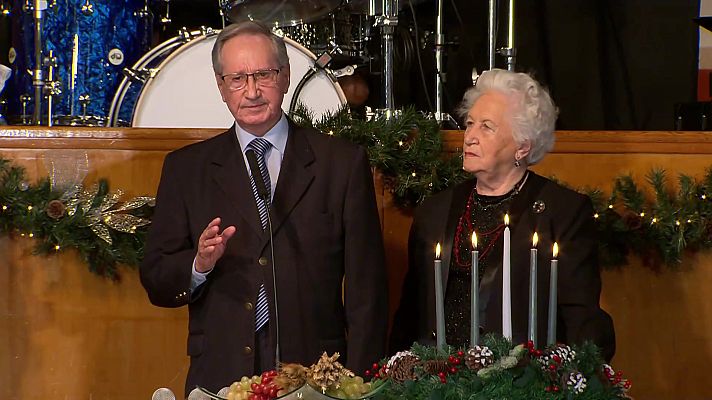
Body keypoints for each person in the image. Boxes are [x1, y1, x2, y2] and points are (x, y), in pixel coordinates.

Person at [139, 21, 388, 395]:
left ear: (285, 77)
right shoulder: (187, 169)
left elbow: (367, 290)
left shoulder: (340, 164)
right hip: (220, 377)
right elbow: (157, 278)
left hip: (317, 377)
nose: (251, 91)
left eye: (263, 75)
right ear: (221, 87)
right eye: (237, 78)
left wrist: (360, 384)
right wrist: (198, 265)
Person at [390, 69, 615, 361]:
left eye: (487, 127)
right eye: (469, 124)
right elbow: (410, 315)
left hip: (516, 381)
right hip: (436, 380)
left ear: (522, 145)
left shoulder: (562, 212)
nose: (469, 136)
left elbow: (581, 320)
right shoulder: (435, 210)